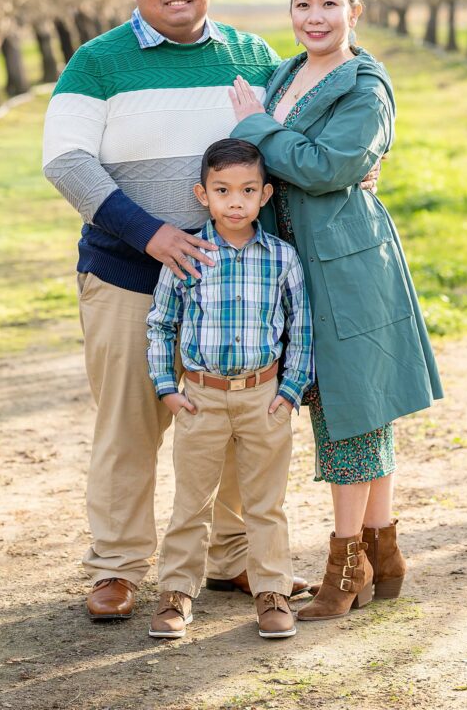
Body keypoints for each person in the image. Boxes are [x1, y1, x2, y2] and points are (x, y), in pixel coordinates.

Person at [42, 0, 313, 620]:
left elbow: (294, 139)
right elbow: (66, 161)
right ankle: (118, 566)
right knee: (130, 424)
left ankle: (230, 558)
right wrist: (152, 235)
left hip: (236, 287)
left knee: (229, 420)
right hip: (129, 274)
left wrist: (357, 164)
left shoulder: (249, 57)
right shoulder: (97, 62)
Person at [229, 0, 444, 620]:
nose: (313, 17)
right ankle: (385, 557)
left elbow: (327, 168)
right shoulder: (283, 74)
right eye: (301, 4)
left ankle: (344, 566)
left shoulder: (364, 86)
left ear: (354, 10)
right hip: (290, 268)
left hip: (347, 269)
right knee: (352, 406)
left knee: (349, 412)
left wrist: (256, 126)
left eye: (327, 3)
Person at [145, 139, 315, 640]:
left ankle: (272, 592)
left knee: (265, 502)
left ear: (265, 195)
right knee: (192, 502)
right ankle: (176, 594)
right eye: (222, 190)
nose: (234, 201)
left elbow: (300, 330)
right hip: (199, 396)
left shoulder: (282, 258)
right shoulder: (188, 253)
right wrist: (166, 387)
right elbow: (161, 324)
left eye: (246, 190)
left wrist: (289, 389)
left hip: (263, 396)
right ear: (203, 194)